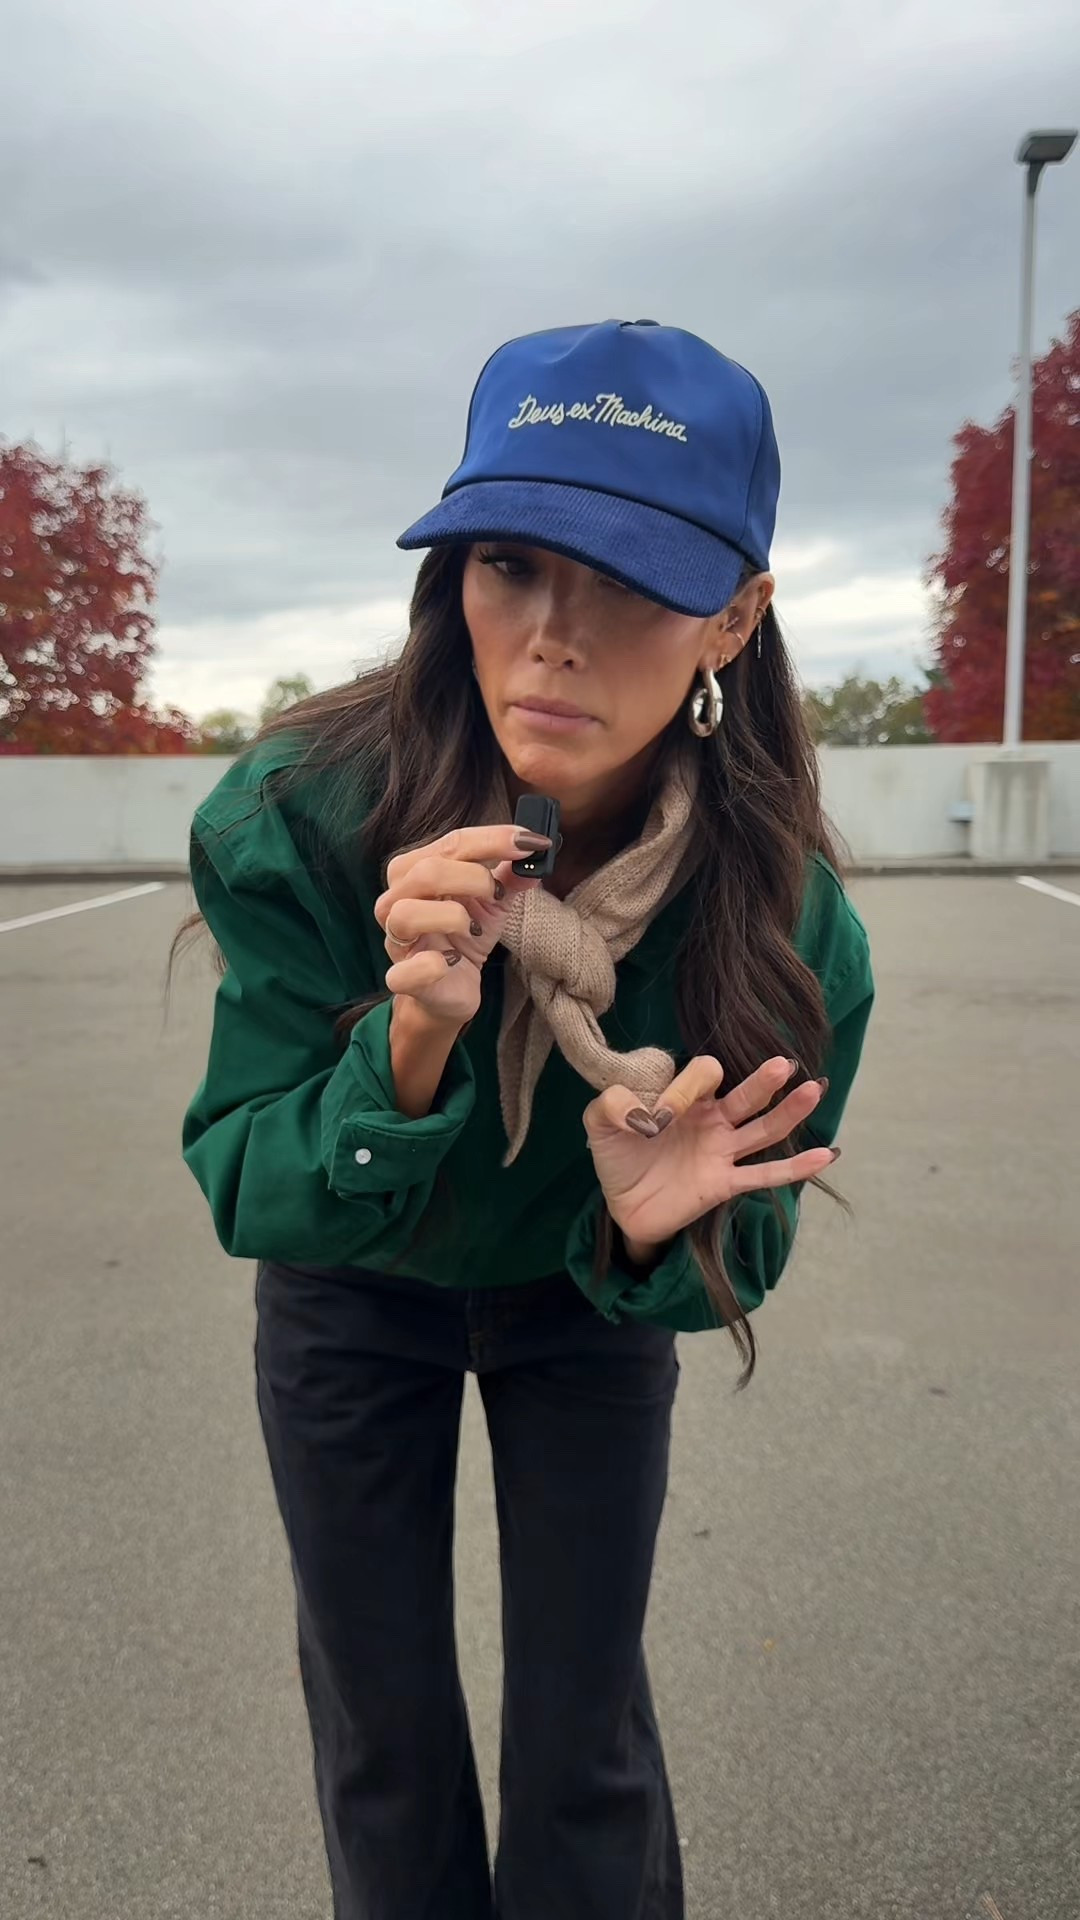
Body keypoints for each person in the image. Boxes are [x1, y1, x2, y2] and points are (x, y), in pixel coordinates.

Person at [181, 318, 874, 1920]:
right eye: (510, 564)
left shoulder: (782, 922)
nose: (553, 636)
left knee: (583, 1736)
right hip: (354, 1295)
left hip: (581, 1305)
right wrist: (409, 1041)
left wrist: (660, 1235)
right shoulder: (300, 814)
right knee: (384, 1734)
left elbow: (751, 1234)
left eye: (631, 579)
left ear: (736, 615)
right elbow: (250, 1174)